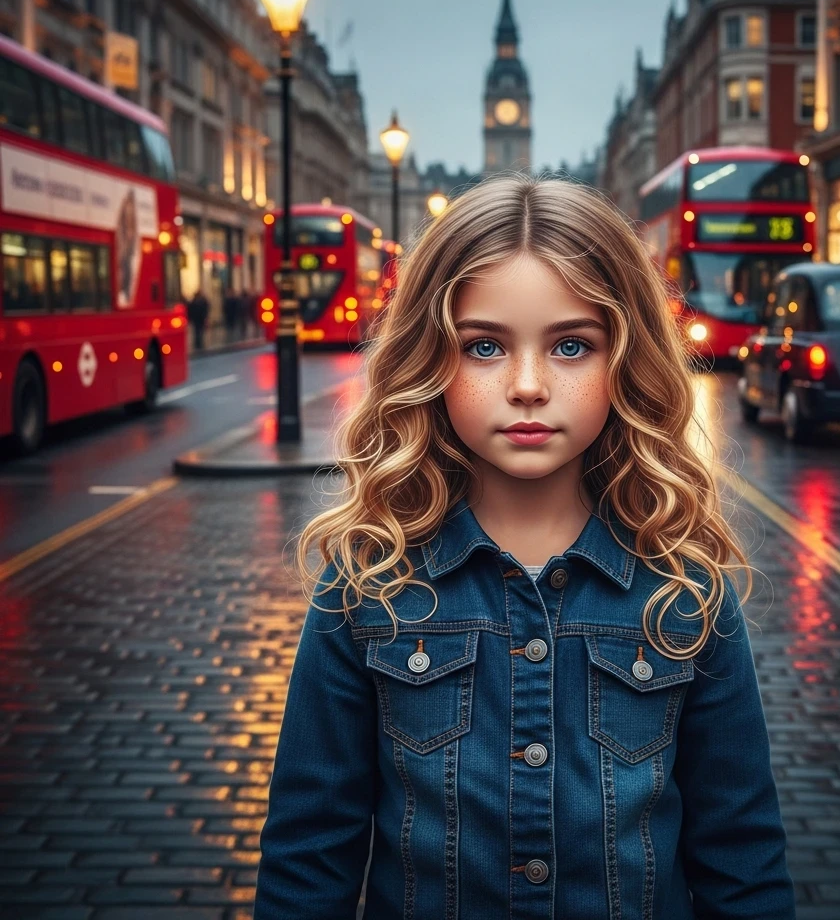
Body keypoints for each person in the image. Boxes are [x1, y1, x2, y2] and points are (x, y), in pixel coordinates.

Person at [253, 176, 795, 920]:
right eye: (484, 346)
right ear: (430, 361)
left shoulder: (687, 594)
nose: (530, 385)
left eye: (572, 345)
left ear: (625, 359)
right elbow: (307, 861)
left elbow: (743, 862)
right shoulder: (365, 588)